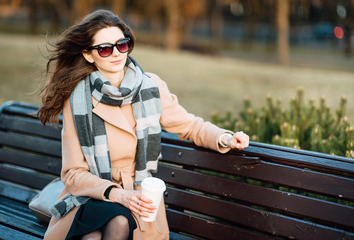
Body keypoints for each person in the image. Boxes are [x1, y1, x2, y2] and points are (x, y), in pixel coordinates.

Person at [38, 9, 249, 240]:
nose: (117, 54)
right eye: (106, 49)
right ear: (89, 55)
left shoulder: (151, 87)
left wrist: (225, 138)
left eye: (122, 45)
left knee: (114, 224)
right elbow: (73, 174)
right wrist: (118, 195)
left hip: (140, 197)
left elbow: (190, 126)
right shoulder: (77, 100)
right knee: (97, 232)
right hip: (93, 196)